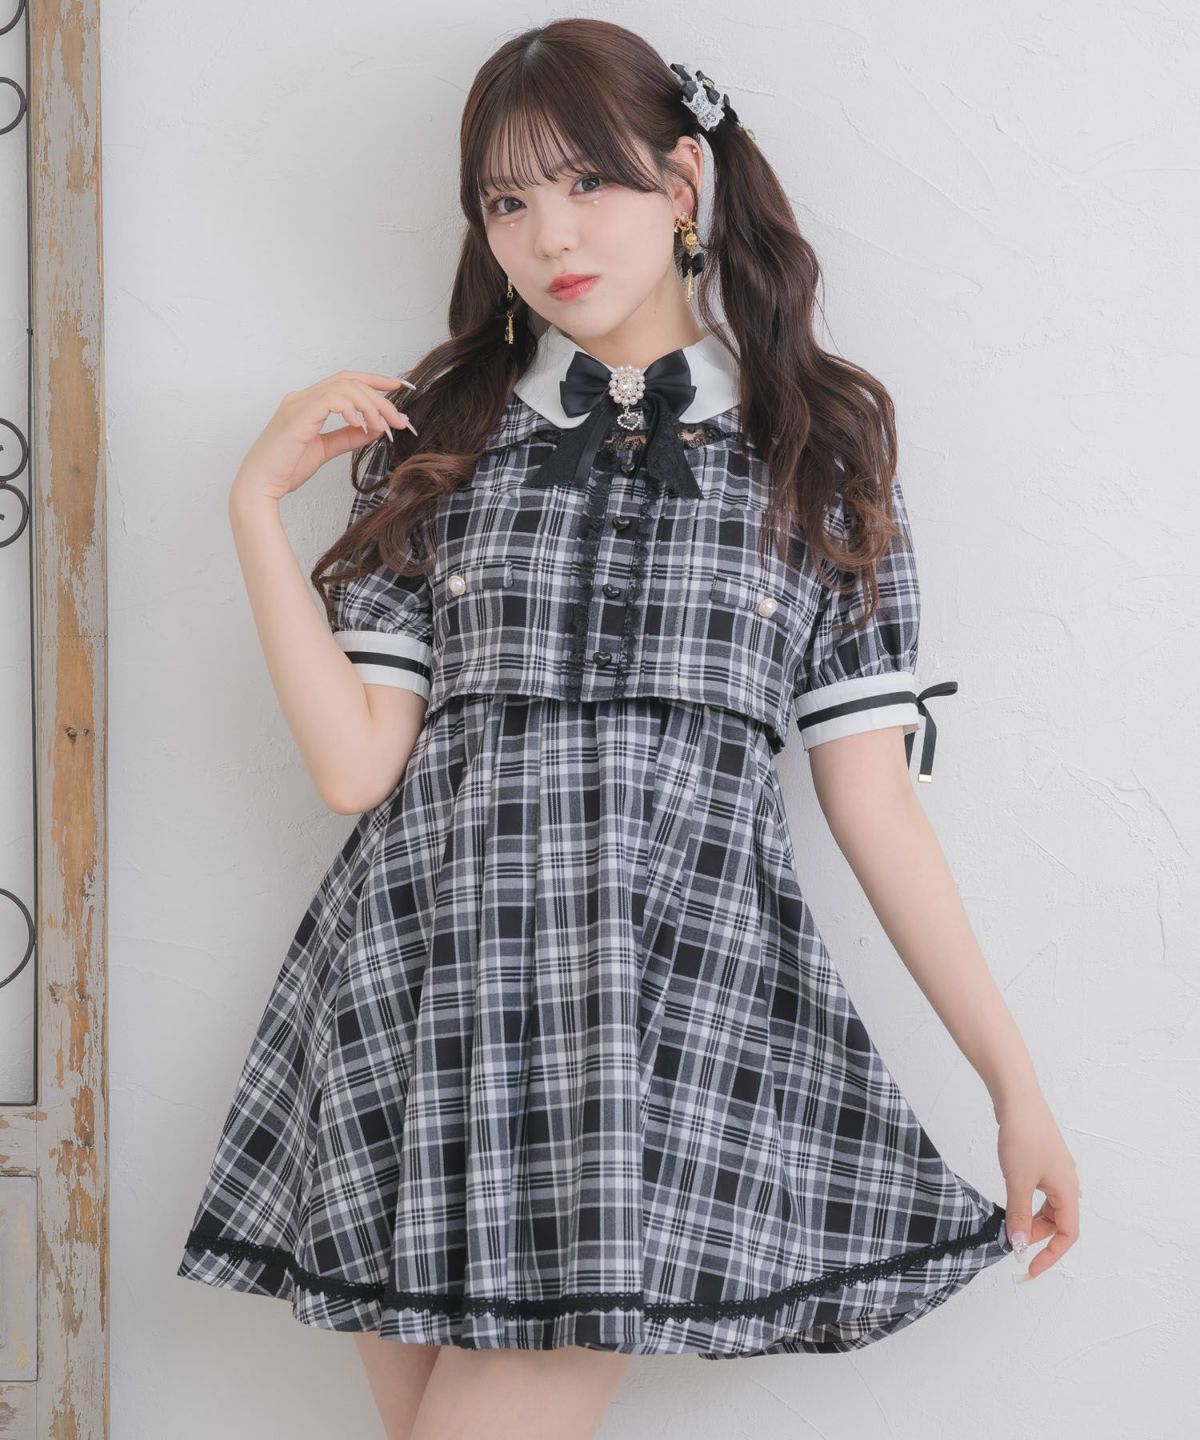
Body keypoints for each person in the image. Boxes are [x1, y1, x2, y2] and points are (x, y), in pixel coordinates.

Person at [175, 18, 1080, 1440]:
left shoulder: (820, 448)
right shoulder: (444, 437)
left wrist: (1013, 1086)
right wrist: (252, 505)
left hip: (656, 1009)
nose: (550, 234)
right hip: (421, 996)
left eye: (586, 181)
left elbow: (875, 804)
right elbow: (356, 769)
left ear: (682, 183)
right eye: (507, 200)